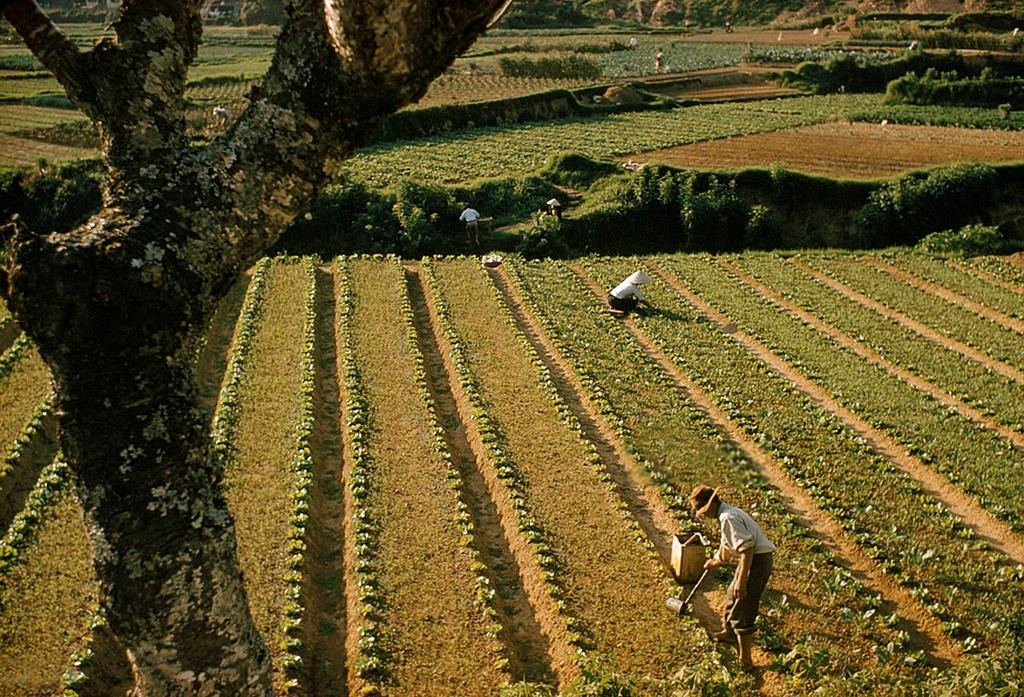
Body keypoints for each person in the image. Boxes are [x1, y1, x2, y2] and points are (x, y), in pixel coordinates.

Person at [690, 485, 776, 672]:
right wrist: (716, 561)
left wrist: (741, 580)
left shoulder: (728, 518)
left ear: (712, 504)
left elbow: (746, 550)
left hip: (756, 562)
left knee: (742, 606)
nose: (704, 515)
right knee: (732, 597)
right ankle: (729, 634)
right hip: (752, 560)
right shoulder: (727, 514)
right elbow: (729, 545)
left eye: (703, 511)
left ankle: (746, 661)